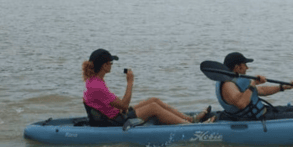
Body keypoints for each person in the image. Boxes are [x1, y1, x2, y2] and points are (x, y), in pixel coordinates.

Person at [82, 48, 214, 126]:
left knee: (153, 100)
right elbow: (124, 105)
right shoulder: (97, 86)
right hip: (114, 121)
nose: (111, 65)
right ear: (104, 65)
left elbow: (112, 104)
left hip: (114, 115)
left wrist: (120, 108)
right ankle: (191, 127)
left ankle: (191, 119)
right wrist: (130, 82)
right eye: (110, 63)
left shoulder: (94, 80)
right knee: (153, 108)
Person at [215, 52, 293, 121]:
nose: (247, 68)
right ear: (237, 67)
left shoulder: (237, 80)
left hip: (264, 111)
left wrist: (283, 87)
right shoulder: (227, 85)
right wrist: (253, 83)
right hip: (257, 118)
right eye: (245, 64)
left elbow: (261, 91)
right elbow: (241, 104)